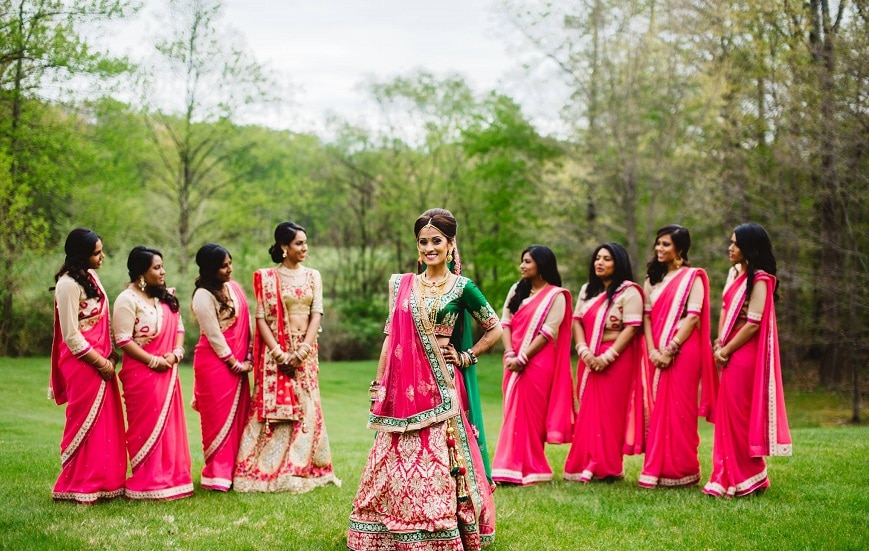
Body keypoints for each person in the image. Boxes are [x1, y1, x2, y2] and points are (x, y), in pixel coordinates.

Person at [348, 208, 501, 551]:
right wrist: (379, 382)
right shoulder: (403, 285)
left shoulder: (463, 287)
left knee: (438, 459)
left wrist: (466, 355)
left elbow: (495, 328)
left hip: (442, 383)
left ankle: (439, 529)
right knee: (393, 455)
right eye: (423, 242)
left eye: (436, 241)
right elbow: (390, 336)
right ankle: (385, 528)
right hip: (401, 387)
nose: (429, 248)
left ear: (450, 245)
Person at [233, 221, 340, 492]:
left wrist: (302, 350)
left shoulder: (313, 275)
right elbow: (261, 319)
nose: (305, 248)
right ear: (284, 247)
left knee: (307, 407)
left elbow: (317, 313)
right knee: (277, 412)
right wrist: (280, 354)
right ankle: (266, 469)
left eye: (305, 242)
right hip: (276, 353)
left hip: (306, 352)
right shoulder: (268, 278)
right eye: (299, 243)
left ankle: (301, 466)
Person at [703, 223, 792, 497]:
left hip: (744, 355)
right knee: (728, 414)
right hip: (730, 349)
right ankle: (725, 474)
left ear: (750, 248)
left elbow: (753, 323)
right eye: (730, 242)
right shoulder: (736, 275)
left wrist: (727, 350)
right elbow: (729, 311)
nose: (730, 248)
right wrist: (719, 343)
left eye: (736, 244)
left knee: (739, 416)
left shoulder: (761, 280)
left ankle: (746, 476)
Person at [49, 228, 126, 503]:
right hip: (81, 363)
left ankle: (105, 481)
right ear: (82, 255)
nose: (102, 256)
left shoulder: (92, 277)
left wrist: (113, 353)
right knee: (83, 420)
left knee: (105, 421)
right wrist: (101, 363)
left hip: (103, 358)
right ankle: (77, 483)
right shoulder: (67, 284)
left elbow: (102, 320)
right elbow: (71, 335)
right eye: (97, 252)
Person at [638, 225, 718, 489]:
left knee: (680, 408)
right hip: (655, 350)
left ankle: (682, 470)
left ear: (680, 249)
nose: (660, 249)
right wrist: (652, 350)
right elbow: (647, 318)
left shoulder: (692, 277)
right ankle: (656, 470)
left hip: (683, 350)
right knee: (658, 407)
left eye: (666, 245)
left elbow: (693, 317)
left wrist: (670, 348)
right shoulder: (652, 279)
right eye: (658, 244)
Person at [564, 243, 648, 483]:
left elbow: (632, 328)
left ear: (618, 263)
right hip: (589, 357)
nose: (599, 263)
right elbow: (577, 321)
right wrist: (584, 351)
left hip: (617, 360)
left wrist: (607, 357)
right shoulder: (587, 290)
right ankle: (585, 463)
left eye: (606, 259)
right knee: (588, 412)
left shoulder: (629, 292)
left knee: (611, 413)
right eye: (597, 258)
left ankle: (608, 467)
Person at [113, 246, 193, 500]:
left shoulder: (165, 297)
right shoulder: (127, 299)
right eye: (156, 268)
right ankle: (148, 479)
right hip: (142, 375)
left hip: (167, 370)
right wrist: (153, 361)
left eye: (162, 266)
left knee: (170, 425)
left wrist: (175, 355)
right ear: (140, 273)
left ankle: (172, 478)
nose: (163, 272)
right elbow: (123, 340)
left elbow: (179, 329)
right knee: (145, 426)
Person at [491, 245, 574, 485]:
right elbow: (504, 323)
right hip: (512, 359)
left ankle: (530, 468)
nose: (522, 266)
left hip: (536, 363)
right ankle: (508, 467)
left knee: (530, 415)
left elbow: (548, 332)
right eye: (522, 261)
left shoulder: (556, 295)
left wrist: (523, 357)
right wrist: (509, 353)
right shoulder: (516, 290)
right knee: (512, 412)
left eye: (527, 261)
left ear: (541, 265)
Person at [190, 244, 253, 491]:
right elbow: (213, 335)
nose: (229, 269)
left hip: (239, 363)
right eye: (223, 266)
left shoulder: (234, 288)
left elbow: (246, 323)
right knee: (216, 420)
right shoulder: (202, 296)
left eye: (230, 263)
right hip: (215, 365)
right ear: (209, 269)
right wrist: (233, 362)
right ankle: (217, 474)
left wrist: (248, 357)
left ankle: (238, 471)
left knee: (241, 416)